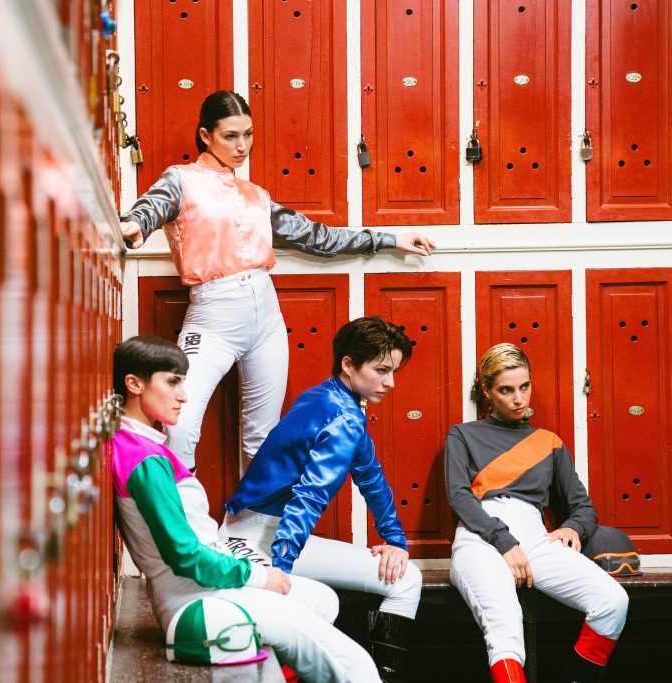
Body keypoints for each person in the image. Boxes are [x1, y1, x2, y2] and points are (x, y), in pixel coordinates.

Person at [120, 90, 436, 470]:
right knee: (180, 425)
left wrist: (390, 239)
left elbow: (317, 237)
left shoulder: (256, 196)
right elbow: (153, 205)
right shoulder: (182, 180)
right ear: (205, 135)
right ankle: (181, 509)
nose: (242, 146)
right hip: (213, 316)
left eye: (248, 134)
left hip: (266, 317)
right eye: (230, 136)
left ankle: (258, 512)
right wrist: (137, 223)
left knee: (264, 439)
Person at [110, 335, 381, 682]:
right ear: (134, 384)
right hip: (199, 597)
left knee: (322, 599)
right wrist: (258, 575)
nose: (183, 396)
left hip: (201, 585)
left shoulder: (142, 445)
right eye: (173, 382)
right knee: (355, 664)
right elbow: (186, 556)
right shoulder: (143, 459)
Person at [221, 317, 422, 682]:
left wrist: (395, 541)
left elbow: (371, 477)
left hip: (251, 531)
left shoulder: (326, 396)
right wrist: (281, 568)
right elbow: (309, 497)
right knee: (400, 581)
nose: (391, 382)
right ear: (348, 364)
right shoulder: (345, 417)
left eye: (394, 371)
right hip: (263, 542)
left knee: (400, 574)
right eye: (381, 370)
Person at [445, 343, 629, 683]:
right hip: (480, 534)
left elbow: (583, 506)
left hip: (533, 535)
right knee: (505, 627)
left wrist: (574, 527)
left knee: (612, 600)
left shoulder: (549, 442)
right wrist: (503, 541)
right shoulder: (463, 435)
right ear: (487, 391)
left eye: (524, 387)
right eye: (506, 390)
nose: (519, 399)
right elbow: (459, 496)